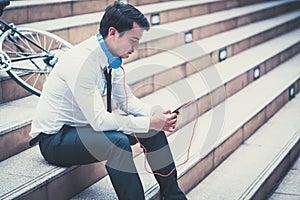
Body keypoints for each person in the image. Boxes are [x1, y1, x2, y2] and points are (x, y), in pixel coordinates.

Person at [29, 1, 187, 200]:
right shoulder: (82, 62)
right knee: (117, 143)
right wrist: (149, 121)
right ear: (112, 33)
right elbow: (99, 120)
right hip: (55, 140)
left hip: (83, 127)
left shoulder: (112, 57)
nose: (136, 48)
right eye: (133, 40)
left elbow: (127, 101)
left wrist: (154, 116)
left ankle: (174, 196)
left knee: (152, 130)